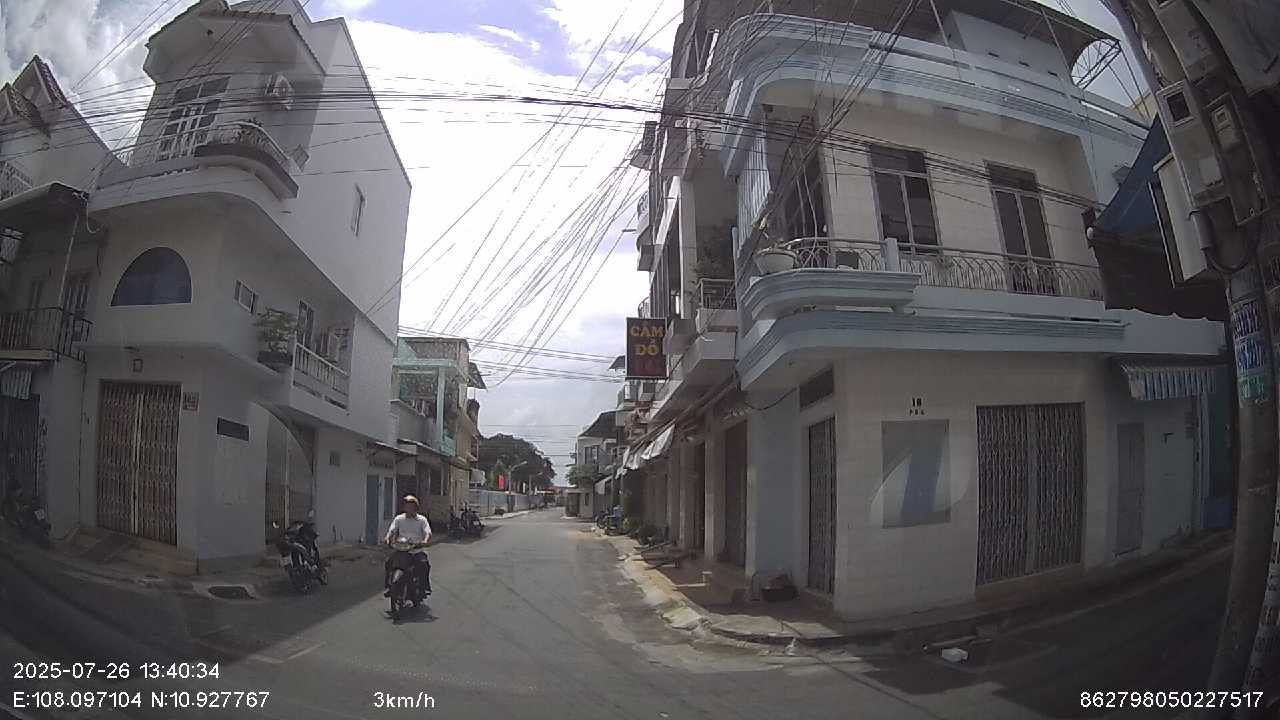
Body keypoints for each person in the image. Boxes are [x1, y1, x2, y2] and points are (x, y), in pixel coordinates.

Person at [384, 495, 432, 598]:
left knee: (424, 565)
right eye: (407, 506)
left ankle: (423, 588)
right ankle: (389, 586)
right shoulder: (399, 519)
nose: (409, 508)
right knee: (389, 563)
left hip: (416, 550)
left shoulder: (422, 520)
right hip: (402, 549)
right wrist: (388, 538)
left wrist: (425, 541)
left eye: (411, 506)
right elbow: (392, 529)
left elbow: (427, 532)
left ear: (416, 507)